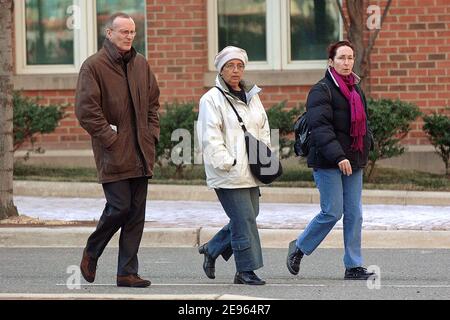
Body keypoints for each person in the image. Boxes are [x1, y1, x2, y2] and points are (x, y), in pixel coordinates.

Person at [75, 12, 160, 288]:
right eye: (123, 31)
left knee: (135, 214)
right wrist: (111, 139)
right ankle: (92, 251)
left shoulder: (141, 65)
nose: (129, 36)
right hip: (113, 153)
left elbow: (153, 105)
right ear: (109, 33)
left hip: (140, 153)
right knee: (120, 207)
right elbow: (86, 111)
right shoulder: (93, 66)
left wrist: (151, 136)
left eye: (132, 32)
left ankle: (127, 272)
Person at [286, 40, 376, 280]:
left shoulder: (356, 89)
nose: (346, 63)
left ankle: (353, 265)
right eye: (341, 58)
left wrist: (365, 149)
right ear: (331, 62)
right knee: (332, 211)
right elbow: (321, 128)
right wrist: (338, 156)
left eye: (350, 58)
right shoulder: (321, 90)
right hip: (327, 160)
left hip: (353, 159)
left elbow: (363, 124)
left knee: (354, 213)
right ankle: (299, 247)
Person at [196, 46, 271, 285]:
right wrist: (227, 162)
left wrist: (265, 153)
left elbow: (263, 127)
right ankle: (245, 270)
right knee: (244, 220)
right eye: (230, 66)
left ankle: (212, 249)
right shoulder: (211, 99)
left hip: (252, 168)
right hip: (228, 170)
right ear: (221, 69)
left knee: (250, 215)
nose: (236, 70)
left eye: (240, 65)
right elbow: (210, 136)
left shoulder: (252, 95)